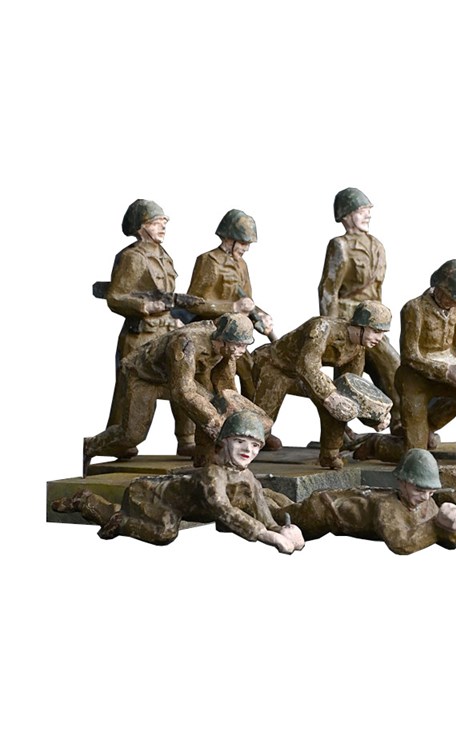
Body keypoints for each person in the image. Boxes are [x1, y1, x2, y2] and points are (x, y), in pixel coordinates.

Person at [55, 412, 304, 553]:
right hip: (151, 495)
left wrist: (284, 530)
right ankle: (92, 505)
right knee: (164, 533)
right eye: (240, 442)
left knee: (167, 527)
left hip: (174, 504)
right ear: (224, 441)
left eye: (255, 445)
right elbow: (224, 510)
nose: (248, 450)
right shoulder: (213, 475)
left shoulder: (248, 479)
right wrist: (269, 538)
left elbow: (264, 515)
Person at [83, 313, 259, 474]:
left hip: (179, 378)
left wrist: (236, 418)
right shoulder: (186, 343)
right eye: (239, 345)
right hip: (145, 376)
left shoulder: (227, 351)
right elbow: (183, 392)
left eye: (245, 345)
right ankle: (88, 447)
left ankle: (204, 461)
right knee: (132, 435)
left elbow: (225, 388)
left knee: (212, 404)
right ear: (223, 340)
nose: (242, 350)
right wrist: (214, 423)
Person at [103, 199, 197, 456]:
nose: (162, 227)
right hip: (140, 334)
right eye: (156, 223)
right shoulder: (132, 257)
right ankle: (117, 440)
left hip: (166, 331)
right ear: (141, 226)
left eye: (163, 223)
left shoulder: (164, 256)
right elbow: (115, 297)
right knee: (129, 389)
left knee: (183, 380)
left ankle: (187, 439)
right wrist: (145, 306)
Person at [251, 301, 392, 469]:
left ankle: (330, 453)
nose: (379, 338)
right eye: (376, 331)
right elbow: (307, 366)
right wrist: (330, 397)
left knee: (339, 404)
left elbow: (351, 390)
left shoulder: (358, 348)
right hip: (274, 366)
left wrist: (374, 416)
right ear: (360, 326)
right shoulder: (322, 328)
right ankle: (248, 444)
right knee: (263, 417)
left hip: (303, 374)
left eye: (382, 333)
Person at [318, 187, 402, 434]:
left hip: (373, 323)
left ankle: (400, 420)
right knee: (348, 375)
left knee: (392, 367)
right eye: (361, 211)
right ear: (345, 215)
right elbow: (328, 289)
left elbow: (377, 290)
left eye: (368, 211)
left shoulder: (377, 245)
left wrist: (382, 324)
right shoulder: (340, 245)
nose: (368, 215)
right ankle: (338, 430)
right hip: (348, 321)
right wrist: (331, 329)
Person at [395, 259, 456, 460]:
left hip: (447, 370)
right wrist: (446, 371)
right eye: (451, 298)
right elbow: (410, 355)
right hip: (414, 378)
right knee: (416, 454)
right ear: (439, 287)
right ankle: (377, 445)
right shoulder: (414, 309)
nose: (454, 303)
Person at [283, 449, 456, 555]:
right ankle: (265, 499)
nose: (426, 497)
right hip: (324, 510)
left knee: (285, 507)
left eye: (432, 491)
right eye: (419, 490)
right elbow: (401, 543)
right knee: (281, 516)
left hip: (334, 503)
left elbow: (442, 539)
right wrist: (437, 527)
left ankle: (270, 497)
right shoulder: (386, 507)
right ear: (402, 482)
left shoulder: (428, 506)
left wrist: (455, 528)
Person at [187, 209, 275, 412]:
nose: (246, 248)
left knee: (251, 374)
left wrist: (261, 314)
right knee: (213, 384)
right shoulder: (208, 261)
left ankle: (253, 420)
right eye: (243, 243)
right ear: (228, 238)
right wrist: (232, 307)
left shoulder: (242, 265)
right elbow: (193, 303)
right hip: (212, 336)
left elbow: (247, 301)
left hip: (236, 336)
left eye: (248, 244)